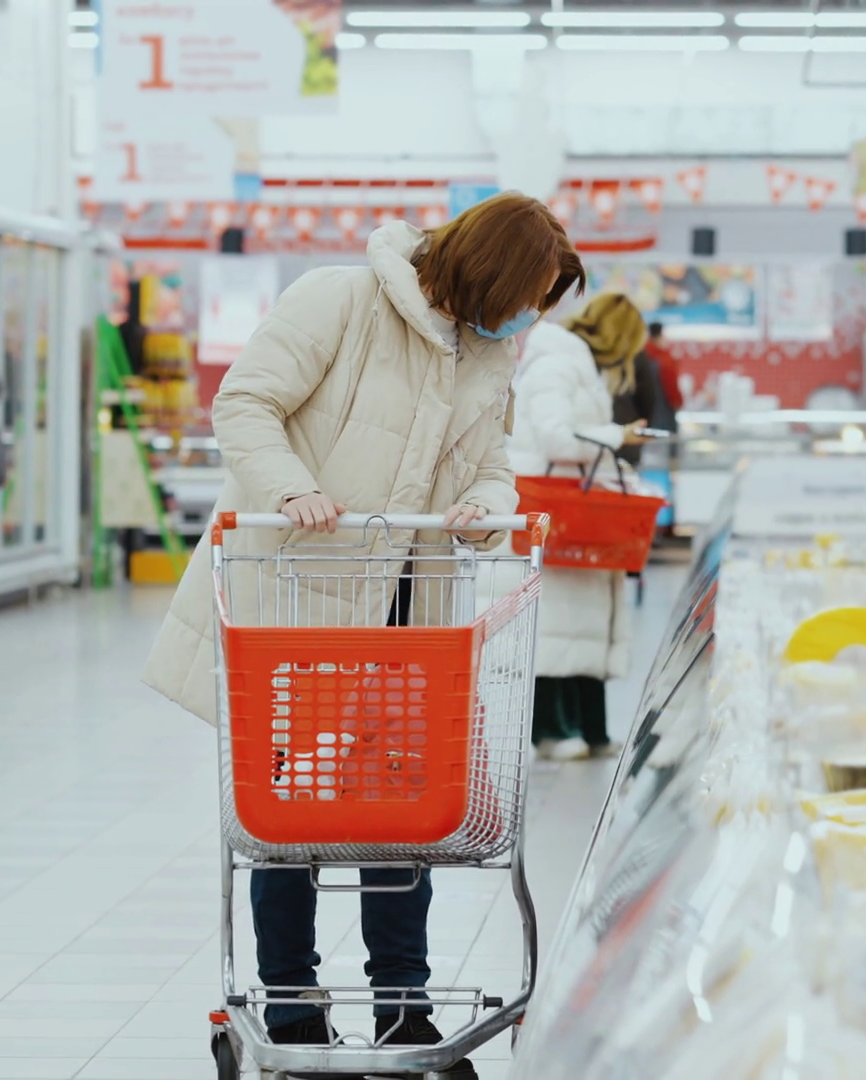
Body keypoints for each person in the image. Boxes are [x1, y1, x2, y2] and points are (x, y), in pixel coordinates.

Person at [142, 193, 583, 1071]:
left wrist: (484, 506)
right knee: (287, 818)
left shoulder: (487, 354)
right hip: (297, 605)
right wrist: (292, 488)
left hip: (413, 627)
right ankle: (292, 1004)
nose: (526, 318)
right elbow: (246, 404)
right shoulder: (339, 299)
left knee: (402, 819)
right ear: (485, 272)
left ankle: (403, 1006)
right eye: (524, 297)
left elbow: (494, 467)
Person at [509, 293, 649, 761]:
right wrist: (617, 436)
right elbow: (557, 439)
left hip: (576, 515)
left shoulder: (576, 367)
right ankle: (551, 732)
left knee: (579, 624)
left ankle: (591, 731)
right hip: (556, 514)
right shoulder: (556, 366)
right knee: (555, 626)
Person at [610, 320, 676, 469]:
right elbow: (651, 394)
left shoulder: (597, 352)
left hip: (611, 434)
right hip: (641, 423)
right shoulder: (656, 357)